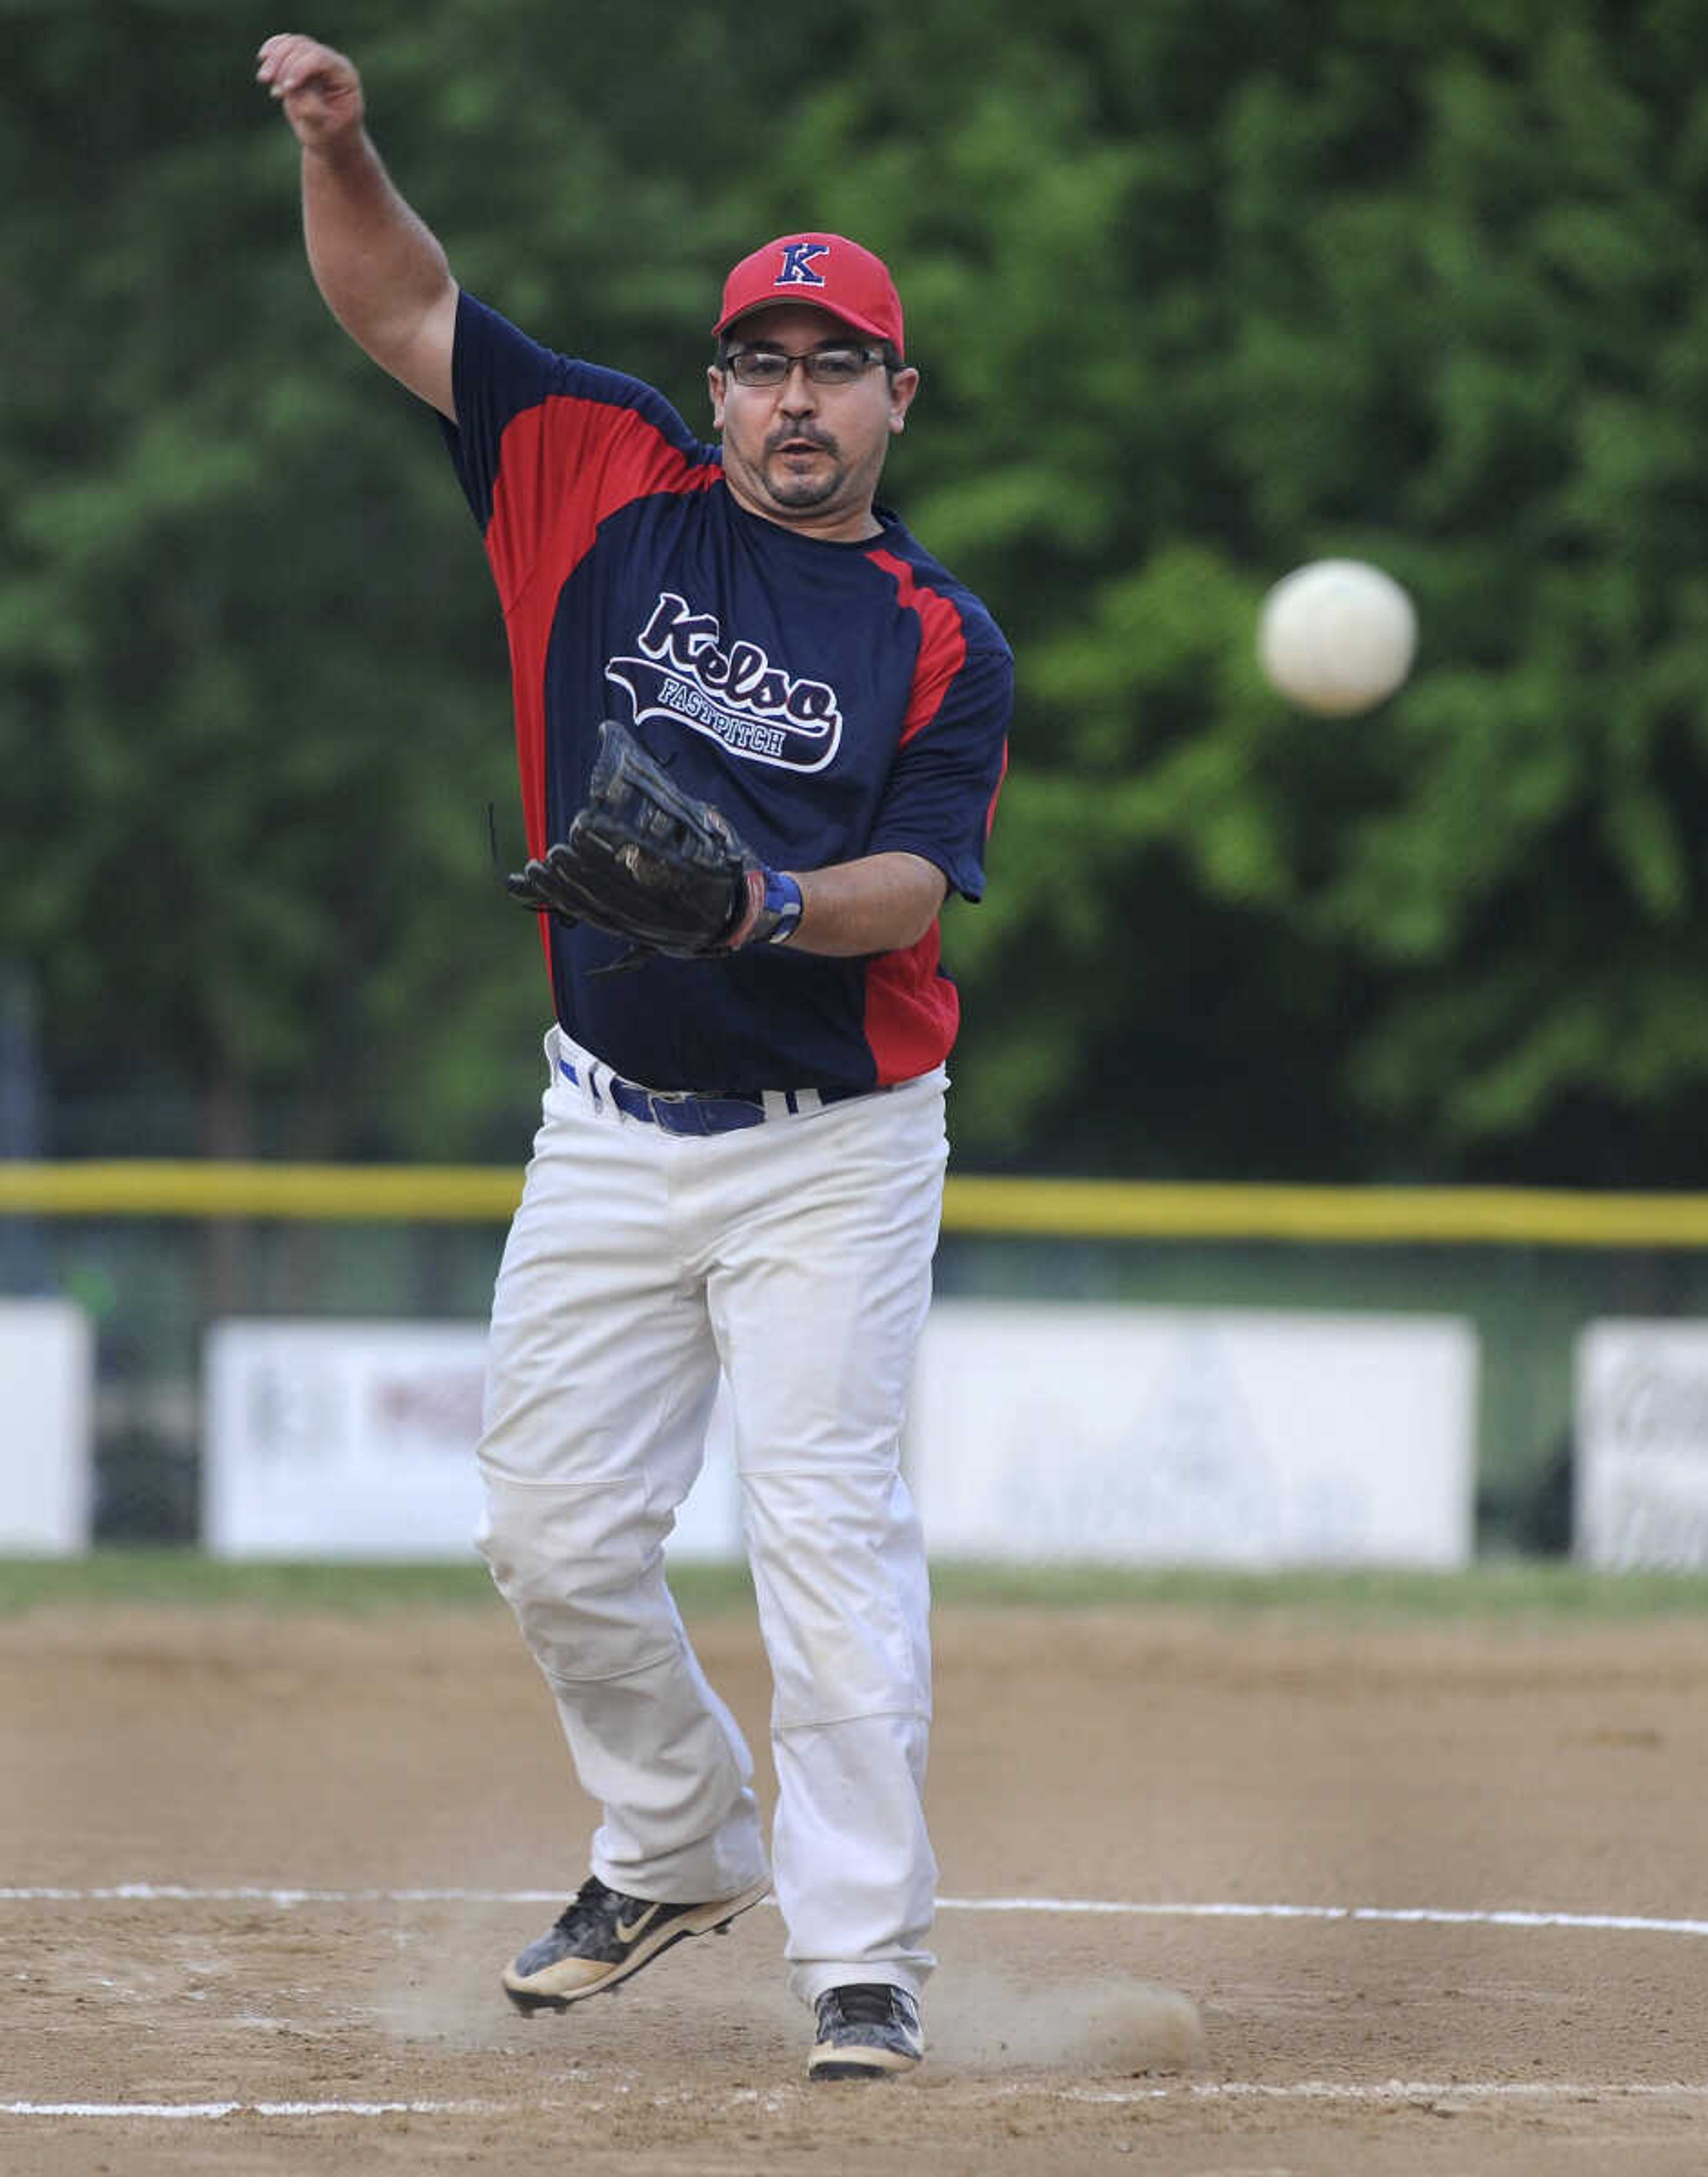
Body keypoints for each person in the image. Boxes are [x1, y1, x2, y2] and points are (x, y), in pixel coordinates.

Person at [258, 34, 1013, 2084]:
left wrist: (756, 907)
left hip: (835, 1142)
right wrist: (346, 144)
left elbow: (915, 892)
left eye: (833, 363)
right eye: (762, 361)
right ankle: (678, 1838)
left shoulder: (938, 638)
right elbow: (401, 303)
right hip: (603, 1115)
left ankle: (864, 1963)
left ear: (892, 401)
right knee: (552, 1535)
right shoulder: (592, 472)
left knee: (827, 1538)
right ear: (717, 392)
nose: (795, 397)